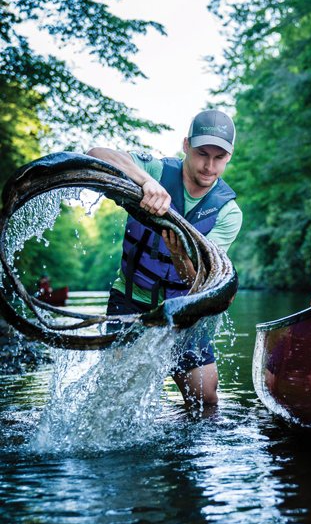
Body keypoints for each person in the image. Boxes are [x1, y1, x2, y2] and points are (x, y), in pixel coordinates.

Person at [86, 109, 242, 404]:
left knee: (206, 398)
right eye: (201, 154)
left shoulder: (228, 212)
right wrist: (145, 181)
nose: (209, 166)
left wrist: (179, 255)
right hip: (131, 300)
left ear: (228, 157)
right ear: (186, 146)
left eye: (219, 157)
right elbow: (96, 154)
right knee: (115, 396)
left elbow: (199, 280)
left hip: (183, 309)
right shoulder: (158, 171)